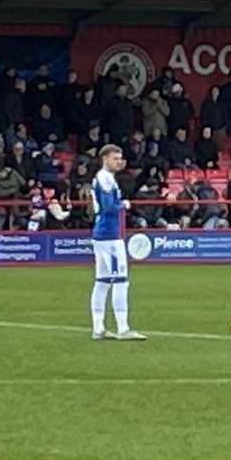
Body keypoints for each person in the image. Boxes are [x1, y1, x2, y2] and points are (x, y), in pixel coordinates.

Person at [90, 144, 144, 341]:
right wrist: (124, 205)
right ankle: (123, 328)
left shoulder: (106, 178)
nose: (119, 161)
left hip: (102, 234)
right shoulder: (104, 179)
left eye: (120, 158)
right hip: (109, 235)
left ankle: (98, 328)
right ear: (105, 159)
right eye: (115, 158)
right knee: (120, 280)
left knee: (102, 281)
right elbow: (108, 206)